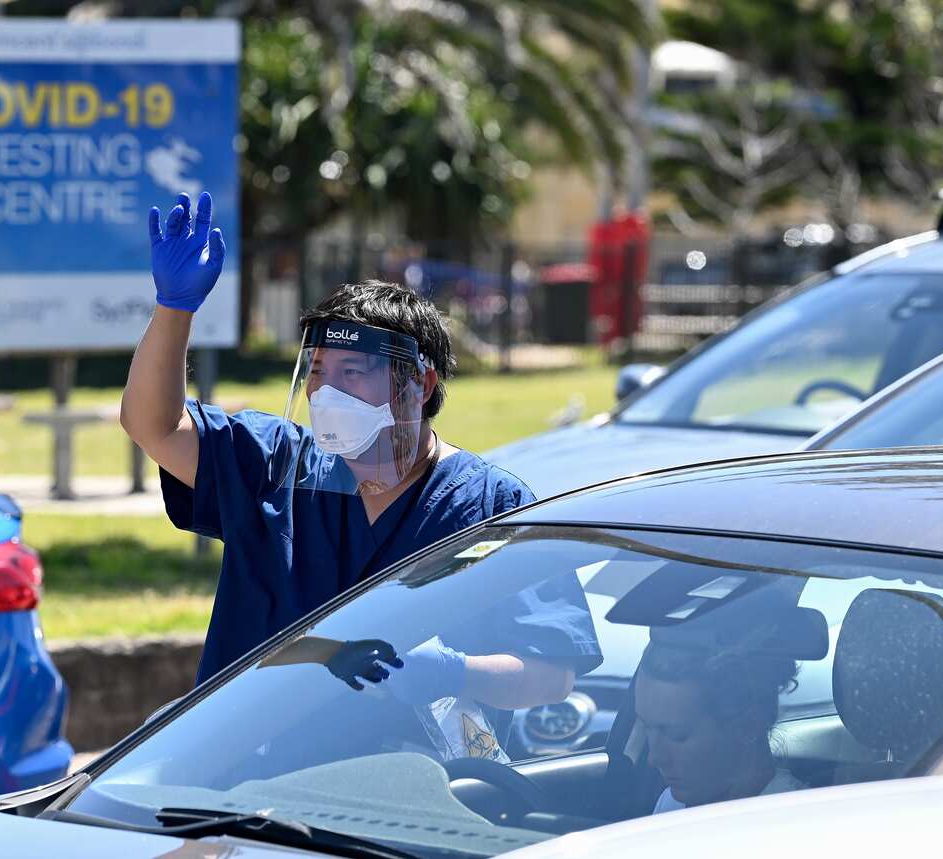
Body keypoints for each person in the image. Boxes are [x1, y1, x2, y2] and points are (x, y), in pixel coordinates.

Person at [121, 191, 592, 709]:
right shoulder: (274, 464)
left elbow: (551, 675)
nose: (327, 393)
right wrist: (174, 309)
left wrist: (443, 672)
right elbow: (153, 425)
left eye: (353, 373)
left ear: (420, 383)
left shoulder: (487, 505)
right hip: (238, 763)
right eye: (318, 372)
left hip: (399, 772)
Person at [634, 640, 806, 814]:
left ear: (750, 724)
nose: (654, 758)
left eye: (677, 735)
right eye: (646, 728)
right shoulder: (670, 804)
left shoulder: (799, 823)